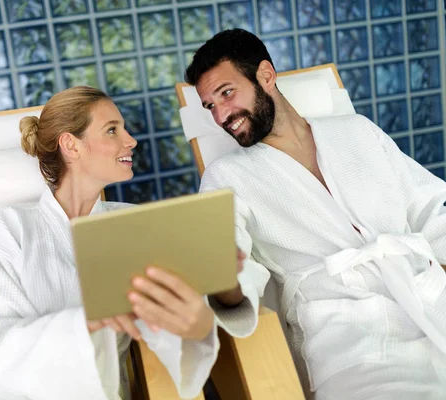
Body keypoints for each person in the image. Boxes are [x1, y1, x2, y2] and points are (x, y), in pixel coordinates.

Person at [0, 86, 249, 399]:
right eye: (112, 130)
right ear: (71, 145)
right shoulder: (11, 227)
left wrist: (209, 298)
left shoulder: (136, 227)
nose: (131, 141)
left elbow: (167, 329)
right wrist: (86, 324)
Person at [186, 29, 446, 400]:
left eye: (226, 93)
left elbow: (429, 210)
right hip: (348, 335)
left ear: (265, 75)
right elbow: (230, 266)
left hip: (429, 294)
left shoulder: (356, 132)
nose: (221, 115)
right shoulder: (227, 176)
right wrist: (224, 278)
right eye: (210, 106)